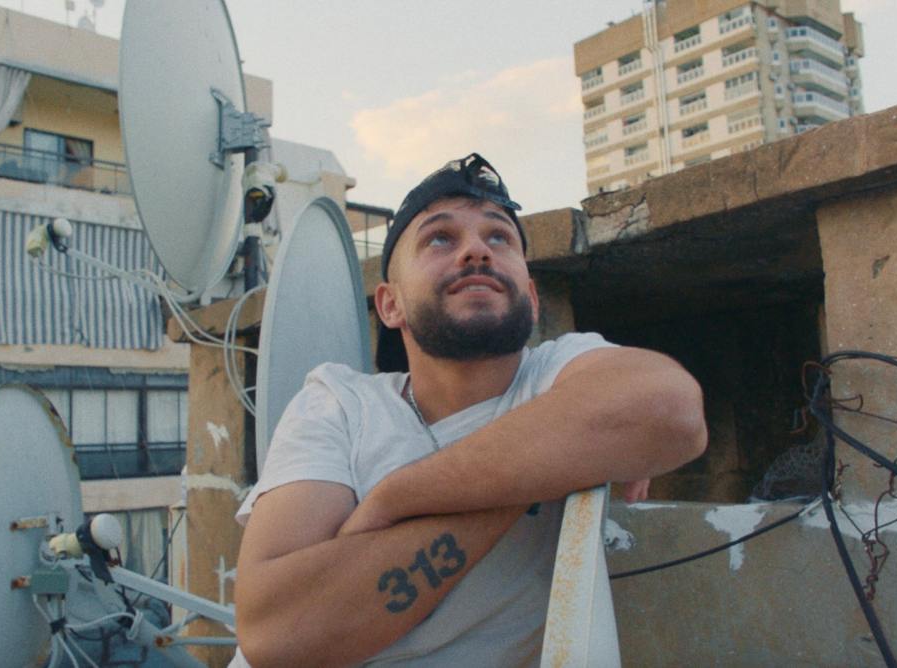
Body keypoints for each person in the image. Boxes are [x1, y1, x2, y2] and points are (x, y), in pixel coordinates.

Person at [232, 153, 707, 666]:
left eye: (499, 237)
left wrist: (396, 498)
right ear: (390, 304)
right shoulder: (339, 403)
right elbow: (275, 630)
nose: (476, 250)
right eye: (440, 239)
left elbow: (673, 410)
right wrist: (557, 468)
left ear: (530, 294)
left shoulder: (559, 371)